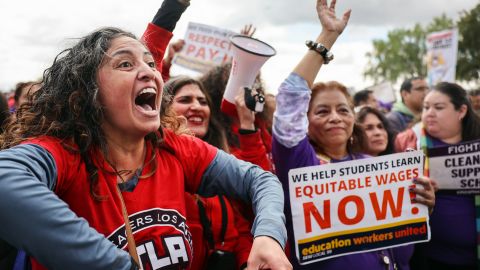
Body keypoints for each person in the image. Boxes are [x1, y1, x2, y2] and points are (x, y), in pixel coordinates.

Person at [0, 27, 291, 270]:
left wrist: (268, 236)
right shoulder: (64, 154)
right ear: (84, 93)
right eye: (125, 64)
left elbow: (260, 179)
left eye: (151, 64)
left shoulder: (173, 147)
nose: (149, 73)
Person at [271, 0, 435, 269]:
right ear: (306, 122)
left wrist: (422, 205)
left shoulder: (375, 167)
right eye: (322, 111)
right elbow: (289, 99)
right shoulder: (302, 165)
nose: (335, 117)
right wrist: (328, 37)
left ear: (352, 119)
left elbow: (404, 248)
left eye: (343, 110)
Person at [163, 75, 253, 270]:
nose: (196, 106)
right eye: (185, 100)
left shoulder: (225, 159)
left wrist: (246, 262)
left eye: (202, 101)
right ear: (162, 109)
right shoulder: (157, 164)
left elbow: (242, 225)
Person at [396, 82, 480, 270]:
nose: (429, 113)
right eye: (426, 107)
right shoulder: (408, 143)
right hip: (428, 258)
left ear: (461, 111)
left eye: (439, 107)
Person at [356, 106, 435, 270]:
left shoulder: (401, 173)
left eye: (380, 126)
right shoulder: (346, 180)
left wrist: (425, 207)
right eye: (369, 128)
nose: (378, 132)